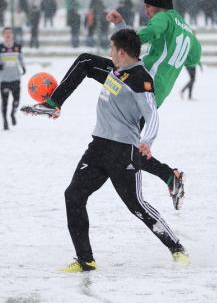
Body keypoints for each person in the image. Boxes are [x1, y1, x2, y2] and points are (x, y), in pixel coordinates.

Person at [21, 0, 201, 210]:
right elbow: (194, 57)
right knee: (127, 148)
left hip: (136, 81)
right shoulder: (187, 30)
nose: (146, 12)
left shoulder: (162, 18)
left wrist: (124, 29)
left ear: (157, 6)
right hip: (153, 95)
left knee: (86, 61)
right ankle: (170, 177)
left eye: (148, 7)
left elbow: (144, 36)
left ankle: (53, 103)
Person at [26, 29, 189, 271]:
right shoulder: (117, 70)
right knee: (73, 196)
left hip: (123, 151)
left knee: (136, 205)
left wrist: (148, 140)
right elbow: (89, 63)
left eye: (112, 49)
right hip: (98, 146)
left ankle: (177, 248)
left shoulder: (140, 81)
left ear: (122, 53)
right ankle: (86, 260)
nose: (110, 53)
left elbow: (152, 114)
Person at [0, 27, 26, 130]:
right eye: (6, 33)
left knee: (16, 101)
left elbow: (21, 58)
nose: (8, 35)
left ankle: (12, 114)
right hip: (4, 79)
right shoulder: (0, 47)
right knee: (5, 101)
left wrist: (23, 67)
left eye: (10, 33)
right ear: (3, 35)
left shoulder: (17, 46)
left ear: (12, 35)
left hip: (15, 78)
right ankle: (5, 121)